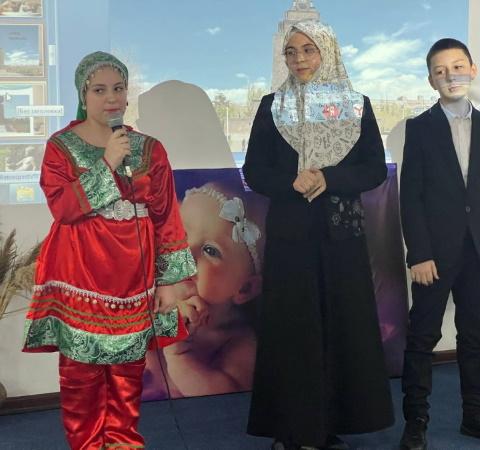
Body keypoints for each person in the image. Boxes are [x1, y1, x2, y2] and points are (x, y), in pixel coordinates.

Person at [21, 51, 207, 450]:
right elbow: (64, 209)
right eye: (99, 90)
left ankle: (123, 441)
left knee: (127, 372)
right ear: (82, 95)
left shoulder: (150, 149)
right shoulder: (60, 146)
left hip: (134, 276)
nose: (111, 98)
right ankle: (86, 444)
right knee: (81, 374)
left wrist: (169, 282)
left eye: (119, 88)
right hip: (79, 273)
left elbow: (166, 217)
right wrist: (107, 163)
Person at [242, 19, 394, 450]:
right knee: (294, 332)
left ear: (327, 52)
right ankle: (291, 428)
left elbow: (373, 169)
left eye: (309, 49)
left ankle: (328, 426)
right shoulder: (272, 106)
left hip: (340, 238)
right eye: (291, 52)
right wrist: (290, 181)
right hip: (291, 239)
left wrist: (329, 178)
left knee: (340, 330)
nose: (299, 59)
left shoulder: (356, 105)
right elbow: (255, 170)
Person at [399, 38, 480, 449]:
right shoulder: (419, 127)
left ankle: (475, 415)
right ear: (431, 80)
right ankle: (416, 420)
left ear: (472, 70)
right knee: (423, 337)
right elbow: (411, 196)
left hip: (479, 252)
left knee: (473, 337)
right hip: (433, 254)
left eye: (457, 66)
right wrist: (419, 253)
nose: (450, 75)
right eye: (440, 70)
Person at [143, 181, 264, 398]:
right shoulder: (154, 295)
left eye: (210, 250)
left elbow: (227, 400)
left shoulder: (237, 341)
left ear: (245, 288)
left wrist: (180, 355)